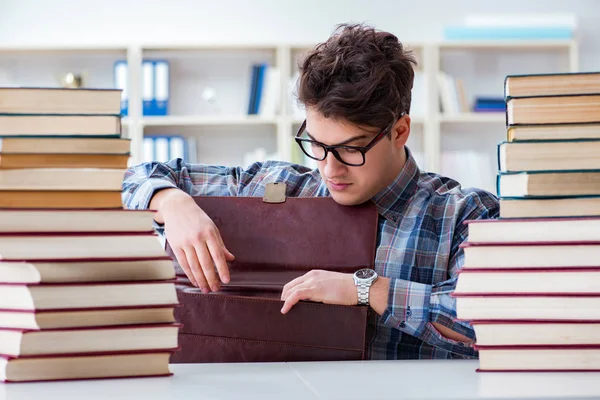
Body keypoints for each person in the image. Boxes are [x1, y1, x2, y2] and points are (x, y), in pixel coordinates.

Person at [122, 23, 499, 360]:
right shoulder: (281, 188)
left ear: (399, 131)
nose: (329, 169)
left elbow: (490, 323)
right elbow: (130, 180)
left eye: (351, 149)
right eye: (316, 144)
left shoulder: (466, 214)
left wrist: (364, 290)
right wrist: (171, 203)